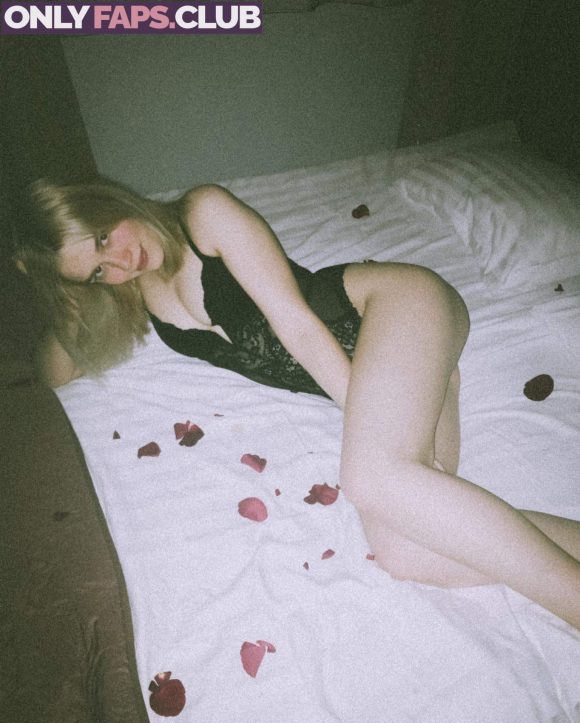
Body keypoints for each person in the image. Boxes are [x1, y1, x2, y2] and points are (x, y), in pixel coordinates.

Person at [14, 176, 580, 631]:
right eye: (98, 270)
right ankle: (437, 386)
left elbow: (300, 328)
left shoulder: (203, 213)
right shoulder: (136, 290)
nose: (120, 262)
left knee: (374, 477)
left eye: (102, 237)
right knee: (405, 554)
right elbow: (54, 373)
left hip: (398, 306)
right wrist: (60, 291)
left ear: (108, 201)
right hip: (395, 372)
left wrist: (378, 433)